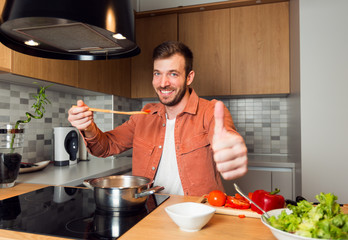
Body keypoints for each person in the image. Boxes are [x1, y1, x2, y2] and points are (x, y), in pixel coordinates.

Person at [68, 41, 248, 196]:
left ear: (189, 77)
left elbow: (225, 135)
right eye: (157, 73)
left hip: (200, 216)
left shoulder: (211, 111)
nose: (163, 83)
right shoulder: (144, 116)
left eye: (173, 74)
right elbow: (105, 147)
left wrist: (229, 146)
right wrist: (88, 126)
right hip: (150, 213)